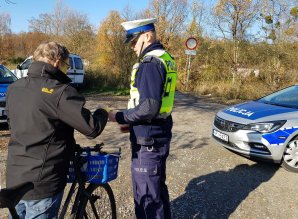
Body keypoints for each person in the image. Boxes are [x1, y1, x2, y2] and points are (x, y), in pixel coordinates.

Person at [5, 42, 108, 218]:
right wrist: (102, 111)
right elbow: (92, 128)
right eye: (66, 65)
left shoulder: (14, 88)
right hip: (44, 181)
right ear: (57, 61)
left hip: (14, 177)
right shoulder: (59, 91)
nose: (66, 70)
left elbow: (17, 125)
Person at [109, 18, 177, 219]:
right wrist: (132, 123)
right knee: (157, 190)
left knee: (147, 196)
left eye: (133, 41)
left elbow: (149, 107)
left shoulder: (149, 63)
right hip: (157, 133)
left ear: (147, 36)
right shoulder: (165, 57)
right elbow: (157, 105)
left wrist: (120, 116)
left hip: (148, 141)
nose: (131, 47)